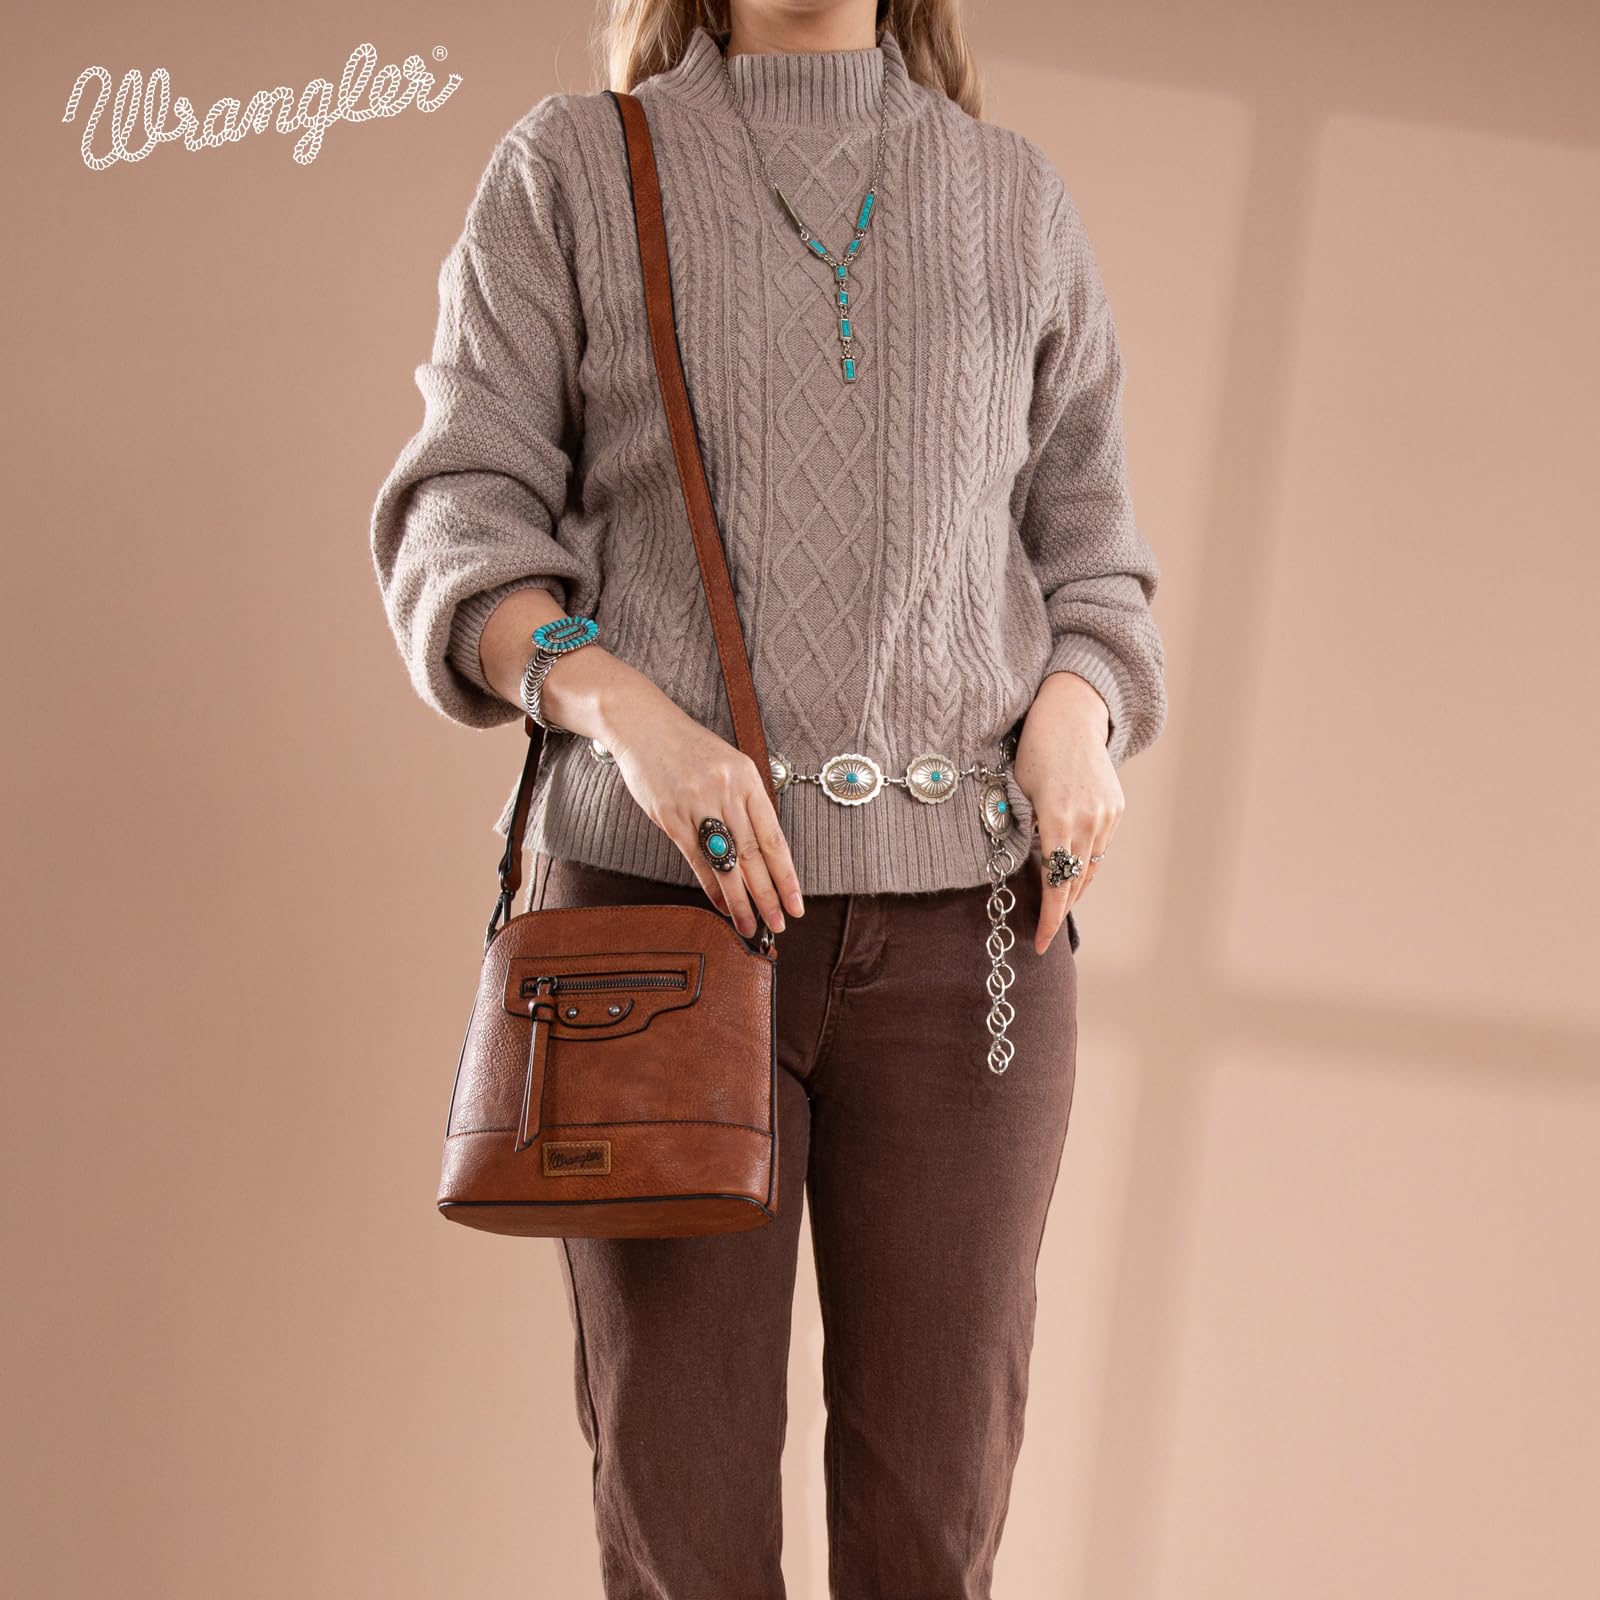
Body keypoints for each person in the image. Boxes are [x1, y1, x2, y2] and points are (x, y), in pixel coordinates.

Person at [370, 0, 1167, 1592]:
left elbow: (1094, 566)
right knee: (684, 1529)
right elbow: (460, 521)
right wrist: (632, 718)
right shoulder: (575, 170)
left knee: (934, 1533)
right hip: (661, 935)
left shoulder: (1013, 198)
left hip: (974, 953)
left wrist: (1080, 715)